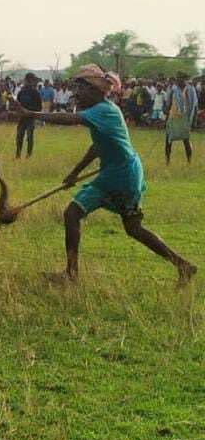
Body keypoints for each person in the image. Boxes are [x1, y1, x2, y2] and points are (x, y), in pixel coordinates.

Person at [16, 64, 196, 286]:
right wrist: (75, 172)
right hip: (117, 172)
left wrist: (30, 114)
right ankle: (183, 266)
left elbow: (69, 119)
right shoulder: (100, 112)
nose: (76, 94)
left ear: (95, 90)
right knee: (128, 227)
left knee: (81, 216)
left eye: (80, 89)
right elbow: (98, 147)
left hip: (121, 175)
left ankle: (71, 274)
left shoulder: (103, 110)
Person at [165, 72, 198, 164]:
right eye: (178, 79)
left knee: (186, 140)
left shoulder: (191, 90)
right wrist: (167, 112)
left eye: (181, 79)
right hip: (173, 116)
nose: (179, 81)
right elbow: (168, 102)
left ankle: (189, 161)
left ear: (185, 80)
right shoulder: (173, 89)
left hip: (185, 118)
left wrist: (193, 120)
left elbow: (194, 105)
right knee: (168, 139)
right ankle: (167, 161)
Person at [13, 73, 43, 158]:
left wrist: (29, 111)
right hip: (22, 118)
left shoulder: (35, 92)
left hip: (30, 118)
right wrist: (18, 111)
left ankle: (28, 156)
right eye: (30, 80)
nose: (31, 82)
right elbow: (17, 105)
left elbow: (39, 107)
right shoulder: (21, 92)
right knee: (19, 136)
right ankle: (18, 155)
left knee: (29, 137)